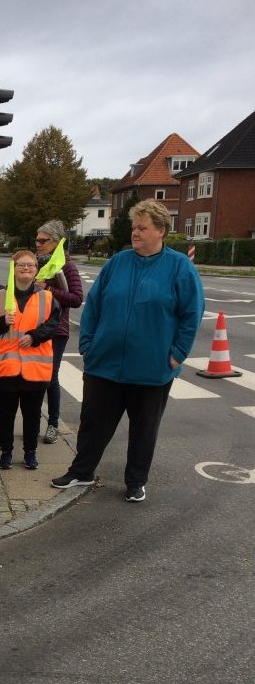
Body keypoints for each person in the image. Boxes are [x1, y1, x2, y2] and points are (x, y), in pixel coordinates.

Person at [51, 200, 205, 503]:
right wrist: (88, 345)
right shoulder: (118, 262)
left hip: (152, 368)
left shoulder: (179, 267)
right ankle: (81, 471)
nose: (135, 233)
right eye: (134, 227)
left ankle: (136, 481)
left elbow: (192, 313)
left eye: (142, 228)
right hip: (104, 363)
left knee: (144, 429)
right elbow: (94, 305)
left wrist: (177, 354)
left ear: (160, 231)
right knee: (93, 423)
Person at [0, 250, 60, 471]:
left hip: (35, 368)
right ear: (13, 269)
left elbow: (54, 323)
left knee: (32, 415)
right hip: (5, 367)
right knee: (6, 415)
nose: (26, 268)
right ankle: (6, 452)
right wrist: (1, 321)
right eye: (21, 265)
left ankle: (30, 452)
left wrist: (35, 336)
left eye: (31, 265)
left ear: (36, 270)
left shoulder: (47, 297)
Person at [34, 220, 84, 444]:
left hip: (56, 330)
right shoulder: (36, 262)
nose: (38, 244)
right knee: (34, 376)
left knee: (50, 377)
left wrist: (48, 288)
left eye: (43, 240)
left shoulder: (66, 266)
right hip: (35, 328)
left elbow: (76, 298)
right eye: (37, 240)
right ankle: (34, 421)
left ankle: (53, 424)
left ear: (55, 242)